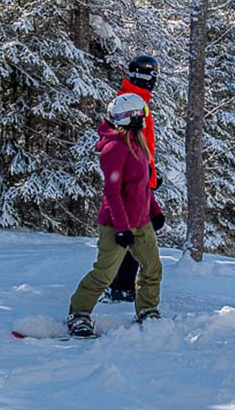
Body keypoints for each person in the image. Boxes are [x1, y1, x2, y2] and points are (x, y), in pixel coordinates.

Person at [67, 93, 165, 337]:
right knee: (105, 273)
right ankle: (79, 313)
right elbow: (112, 192)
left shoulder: (136, 142)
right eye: (142, 114)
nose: (145, 118)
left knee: (152, 268)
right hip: (116, 224)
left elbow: (141, 185)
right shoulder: (115, 148)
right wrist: (122, 228)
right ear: (131, 117)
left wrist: (155, 211)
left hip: (141, 222)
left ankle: (147, 309)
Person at [105, 55, 161, 303]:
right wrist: (139, 173)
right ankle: (120, 286)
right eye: (152, 76)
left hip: (141, 177)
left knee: (137, 230)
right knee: (131, 231)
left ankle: (124, 285)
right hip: (132, 179)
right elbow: (123, 140)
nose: (154, 82)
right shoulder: (131, 102)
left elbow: (145, 144)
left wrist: (151, 175)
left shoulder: (140, 101)